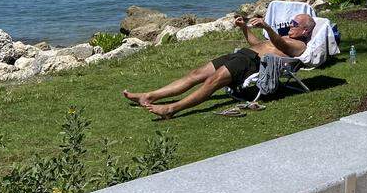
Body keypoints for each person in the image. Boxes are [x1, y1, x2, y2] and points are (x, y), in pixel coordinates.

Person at [122, 14, 316, 119]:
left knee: (212, 82)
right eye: (291, 22)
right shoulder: (282, 37)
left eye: (295, 23)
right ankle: (149, 96)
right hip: (242, 55)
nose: (290, 25)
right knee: (196, 74)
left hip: (252, 64)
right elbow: (257, 45)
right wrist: (244, 28)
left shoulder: (299, 45)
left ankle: (172, 108)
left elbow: (282, 47)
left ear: (305, 30)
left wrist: (267, 28)